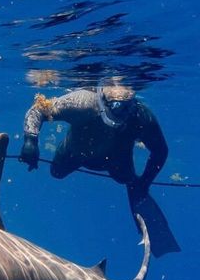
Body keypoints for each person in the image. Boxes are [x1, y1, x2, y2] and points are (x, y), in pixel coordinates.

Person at [18, 82, 179, 257]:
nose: (120, 113)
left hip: (117, 160)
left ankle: (135, 187)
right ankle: (134, 186)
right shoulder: (82, 103)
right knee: (56, 173)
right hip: (75, 152)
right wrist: (30, 140)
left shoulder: (141, 116)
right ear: (102, 100)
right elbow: (39, 109)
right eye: (116, 107)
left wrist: (145, 183)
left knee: (126, 178)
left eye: (126, 108)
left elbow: (160, 151)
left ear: (133, 103)